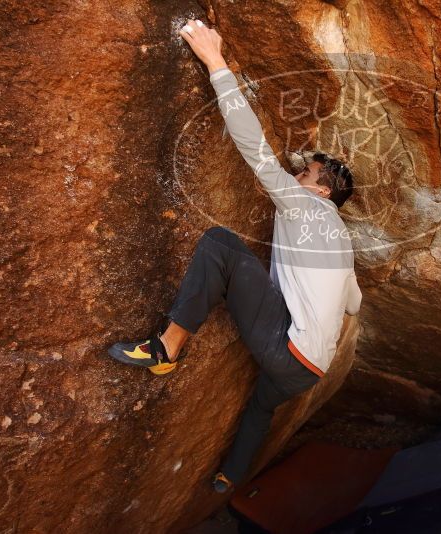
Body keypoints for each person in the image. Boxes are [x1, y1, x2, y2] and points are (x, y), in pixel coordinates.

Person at [107, 18, 362, 494]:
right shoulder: (344, 244)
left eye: (305, 172)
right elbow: (353, 306)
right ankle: (230, 478)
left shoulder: (303, 202)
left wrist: (215, 61)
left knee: (220, 243)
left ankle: (168, 348)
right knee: (260, 408)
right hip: (308, 372)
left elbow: (254, 148)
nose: (296, 175)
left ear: (322, 190)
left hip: (286, 350)